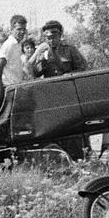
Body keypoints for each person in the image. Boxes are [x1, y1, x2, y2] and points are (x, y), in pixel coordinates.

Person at [27, 20, 89, 158]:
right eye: (48, 37)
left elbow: (83, 68)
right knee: (54, 128)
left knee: (73, 127)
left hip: (69, 95)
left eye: (54, 36)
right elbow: (35, 72)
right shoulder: (43, 51)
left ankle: (80, 156)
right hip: (51, 96)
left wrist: (69, 75)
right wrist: (41, 60)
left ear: (60, 35)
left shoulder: (70, 49)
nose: (51, 40)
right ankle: (59, 157)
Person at [0, 15, 30, 87]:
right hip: (9, 87)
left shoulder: (17, 44)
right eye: (19, 29)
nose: (22, 32)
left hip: (17, 86)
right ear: (12, 30)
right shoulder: (9, 44)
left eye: (24, 29)